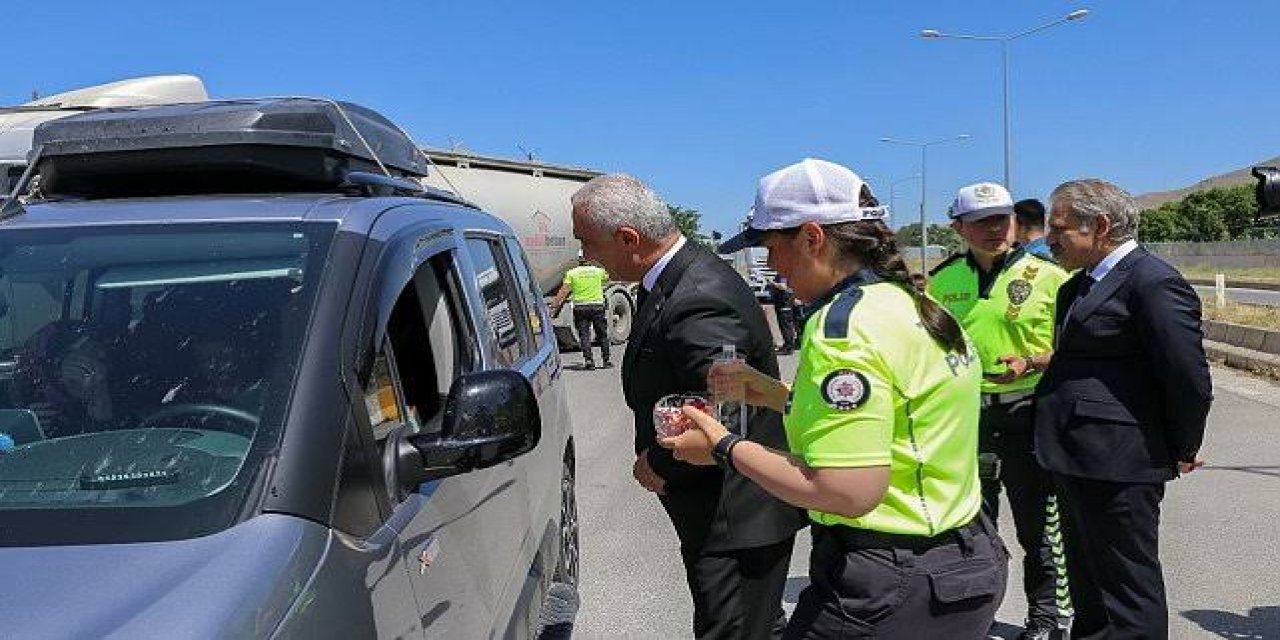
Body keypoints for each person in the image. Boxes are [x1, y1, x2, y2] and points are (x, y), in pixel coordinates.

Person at [664, 158, 1007, 638]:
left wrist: (722, 445)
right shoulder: (914, 304)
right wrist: (774, 395)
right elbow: (895, 423)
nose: (773, 268)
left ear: (812, 237)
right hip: (961, 561)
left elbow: (845, 490)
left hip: (890, 578)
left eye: (770, 249)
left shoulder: (844, 329)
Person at [570, 173, 806, 640]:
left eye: (587, 242)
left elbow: (728, 414)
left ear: (629, 238)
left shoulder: (699, 294)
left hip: (734, 518)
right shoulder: (670, 279)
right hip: (717, 511)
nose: (584, 256)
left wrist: (658, 461)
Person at [1036, 178, 1212, 640]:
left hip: (1121, 460)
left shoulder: (1152, 282)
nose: (1049, 239)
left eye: (1059, 229)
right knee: (1089, 584)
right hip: (1077, 456)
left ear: (1099, 226)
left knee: (1127, 591)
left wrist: (1181, 446)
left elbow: (1187, 377)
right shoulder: (1076, 287)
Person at [929, 182, 1072, 640]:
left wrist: (1031, 362)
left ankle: (1047, 620)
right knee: (971, 529)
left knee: (1038, 530)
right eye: (982, 221)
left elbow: (1076, 349)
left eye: (1002, 219)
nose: (995, 229)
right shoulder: (943, 280)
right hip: (967, 421)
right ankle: (974, 616)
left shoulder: (1050, 277)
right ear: (958, 227)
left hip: (1028, 415)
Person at [551, 253, 613, 369]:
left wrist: (555, 304)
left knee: (584, 335)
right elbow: (608, 278)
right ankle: (606, 360)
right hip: (597, 307)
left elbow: (564, 291)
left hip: (580, 308)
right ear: (590, 260)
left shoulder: (572, 273)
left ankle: (589, 361)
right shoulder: (598, 271)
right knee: (602, 334)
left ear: (579, 260)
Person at [766, 276, 798, 354]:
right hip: (783, 303)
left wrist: (772, 283)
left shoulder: (782, 275)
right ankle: (788, 345)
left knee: (786, 326)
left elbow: (783, 286)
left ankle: (789, 347)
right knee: (785, 326)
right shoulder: (783, 274)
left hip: (784, 304)